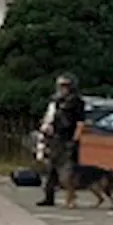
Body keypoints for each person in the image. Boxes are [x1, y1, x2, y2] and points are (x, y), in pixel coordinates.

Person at [39, 73, 85, 207]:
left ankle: (71, 198)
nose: (62, 89)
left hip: (68, 138)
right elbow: (52, 118)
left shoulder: (77, 102)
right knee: (51, 168)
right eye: (60, 86)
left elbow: (80, 123)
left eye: (65, 86)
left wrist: (75, 140)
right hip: (55, 138)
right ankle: (49, 196)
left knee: (68, 171)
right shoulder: (57, 101)